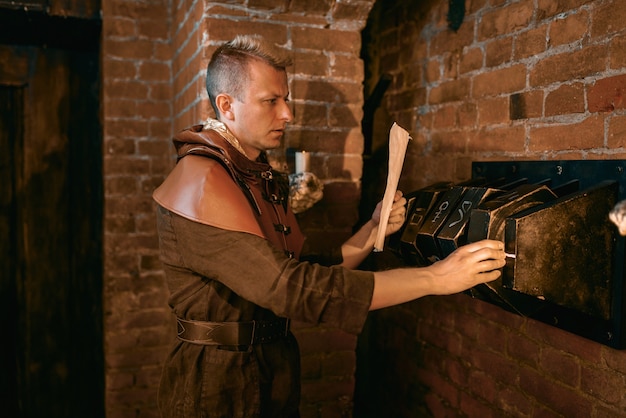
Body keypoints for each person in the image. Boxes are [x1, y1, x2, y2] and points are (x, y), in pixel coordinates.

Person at [153, 34, 506, 418]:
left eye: (285, 99)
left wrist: (372, 229)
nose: (287, 114)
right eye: (271, 101)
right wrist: (435, 279)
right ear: (227, 105)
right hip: (218, 381)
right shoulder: (202, 178)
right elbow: (289, 288)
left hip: (271, 364)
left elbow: (307, 270)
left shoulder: (252, 174)